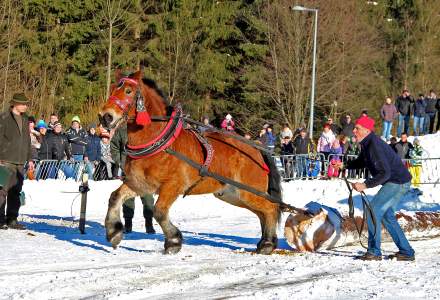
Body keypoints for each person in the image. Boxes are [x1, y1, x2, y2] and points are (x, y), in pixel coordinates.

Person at [336, 115, 415, 261]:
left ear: (366, 130)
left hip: (396, 181)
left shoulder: (374, 145)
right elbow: (362, 161)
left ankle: (374, 252)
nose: (354, 131)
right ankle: (407, 252)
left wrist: (365, 185)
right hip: (400, 181)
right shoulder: (367, 142)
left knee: (372, 210)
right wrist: (345, 165)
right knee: (386, 215)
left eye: (357, 128)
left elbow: (385, 173)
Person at [110, 123, 156, 234]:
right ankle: (128, 224)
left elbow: (154, 148)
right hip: (129, 170)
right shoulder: (122, 130)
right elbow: (114, 147)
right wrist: (121, 162)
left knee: (148, 199)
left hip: (144, 171)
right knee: (128, 198)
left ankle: (149, 224)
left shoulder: (145, 128)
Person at [0, 93, 35, 230]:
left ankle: (12, 219)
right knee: (2, 191)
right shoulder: (3, 118)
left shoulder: (25, 119)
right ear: (14, 104)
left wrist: (30, 158)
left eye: (26, 104)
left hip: (20, 161)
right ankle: (0, 219)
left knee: (16, 190)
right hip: (5, 160)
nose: (26, 106)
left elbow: (27, 141)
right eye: (23, 104)